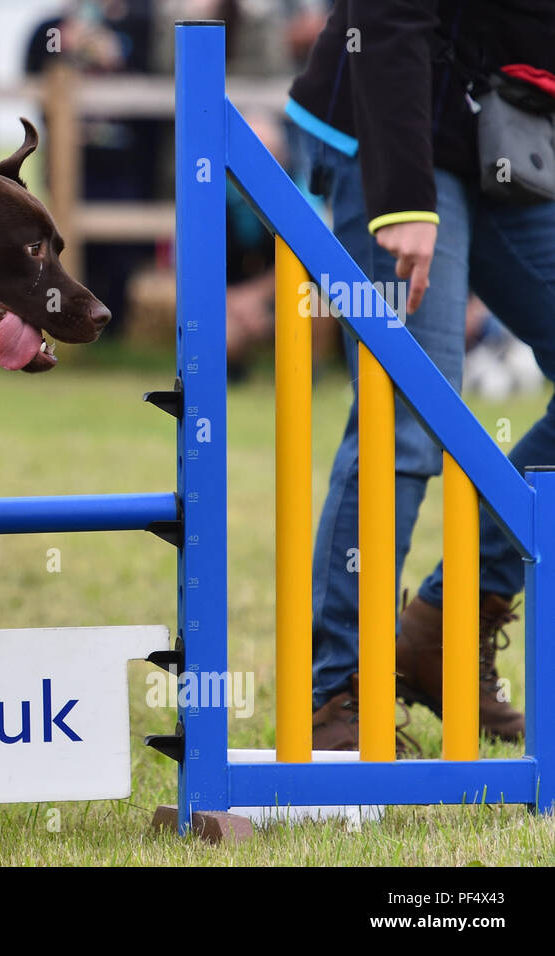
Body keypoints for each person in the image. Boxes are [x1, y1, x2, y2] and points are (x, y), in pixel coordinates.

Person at [288, 1, 555, 749]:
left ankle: (447, 621)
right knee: (409, 418)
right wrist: (403, 197)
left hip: (510, 126)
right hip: (392, 123)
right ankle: (336, 689)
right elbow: (389, 17)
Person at [25, 0, 158, 333]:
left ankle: (113, 334)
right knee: (66, 252)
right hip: (71, 166)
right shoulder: (52, 27)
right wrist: (62, 49)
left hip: (126, 166)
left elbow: (158, 85)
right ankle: (68, 325)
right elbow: (32, 80)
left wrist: (117, 59)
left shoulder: (144, 21)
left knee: (121, 257)